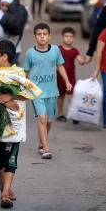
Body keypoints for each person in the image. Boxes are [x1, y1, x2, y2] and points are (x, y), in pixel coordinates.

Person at [0, 40, 42, 209]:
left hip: (14, 123)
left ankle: (5, 193)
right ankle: (4, 185)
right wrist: (0, 99)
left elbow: (27, 94)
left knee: (10, 158)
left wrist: (11, 97)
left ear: (4, 56)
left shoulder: (18, 75)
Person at [24, 23, 72, 159]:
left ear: (49, 36)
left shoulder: (55, 50)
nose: (42, 37)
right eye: (39, 34)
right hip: (36, 91)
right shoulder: (30, 53)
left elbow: (60, 66)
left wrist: (67, 81)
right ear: (34, 37)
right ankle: (46, 149)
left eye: (44, 34)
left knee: (49, 121)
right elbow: (25, 71)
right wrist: (20, 88)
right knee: (42, 118)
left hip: (51, 91)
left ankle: (41, 142)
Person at [56, 27, 84, 123]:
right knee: (60, 96)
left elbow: (81, 61)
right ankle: (60, 114)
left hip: (71, 78)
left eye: (71, 36)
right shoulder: (58, 49)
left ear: (74, 39)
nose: (68, 38)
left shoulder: (74, 51)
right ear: (62, 38)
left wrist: (89, 56)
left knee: (71, 96)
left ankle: (74, 114)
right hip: (59, 78)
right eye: (66, 36)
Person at [0, 0, 22, 65]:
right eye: (3, 5)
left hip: (15, 48)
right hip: (0, 49)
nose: (4, 8)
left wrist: (23, 9)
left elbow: (28, 19)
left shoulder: (17, 15)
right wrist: (4, 33)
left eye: (7, 5)